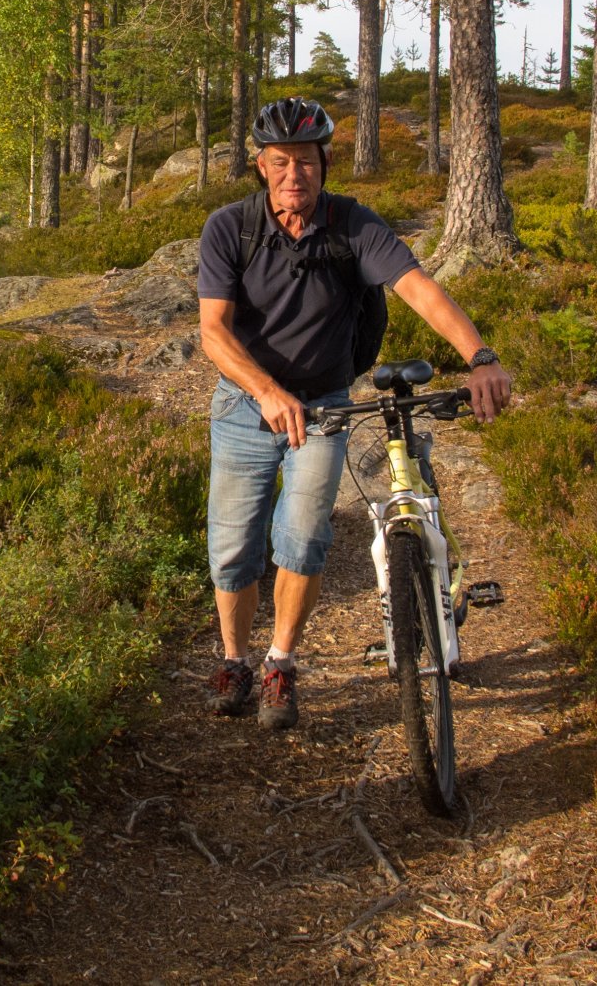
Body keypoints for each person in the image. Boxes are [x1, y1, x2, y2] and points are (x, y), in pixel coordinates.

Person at [195, 96, 514, 729]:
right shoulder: (230, 229)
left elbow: (419, 288)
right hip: (244, 405)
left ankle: (280, 663)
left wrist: (480, 356)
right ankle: (235, 659)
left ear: (324, 164)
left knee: (303, 538)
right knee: (232, 548)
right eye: (281, 161)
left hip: (323, 408)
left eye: (306, 161)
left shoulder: (353, 226)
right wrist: (266, 390)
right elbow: (213, 332)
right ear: (261, 166)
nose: (294, 174)